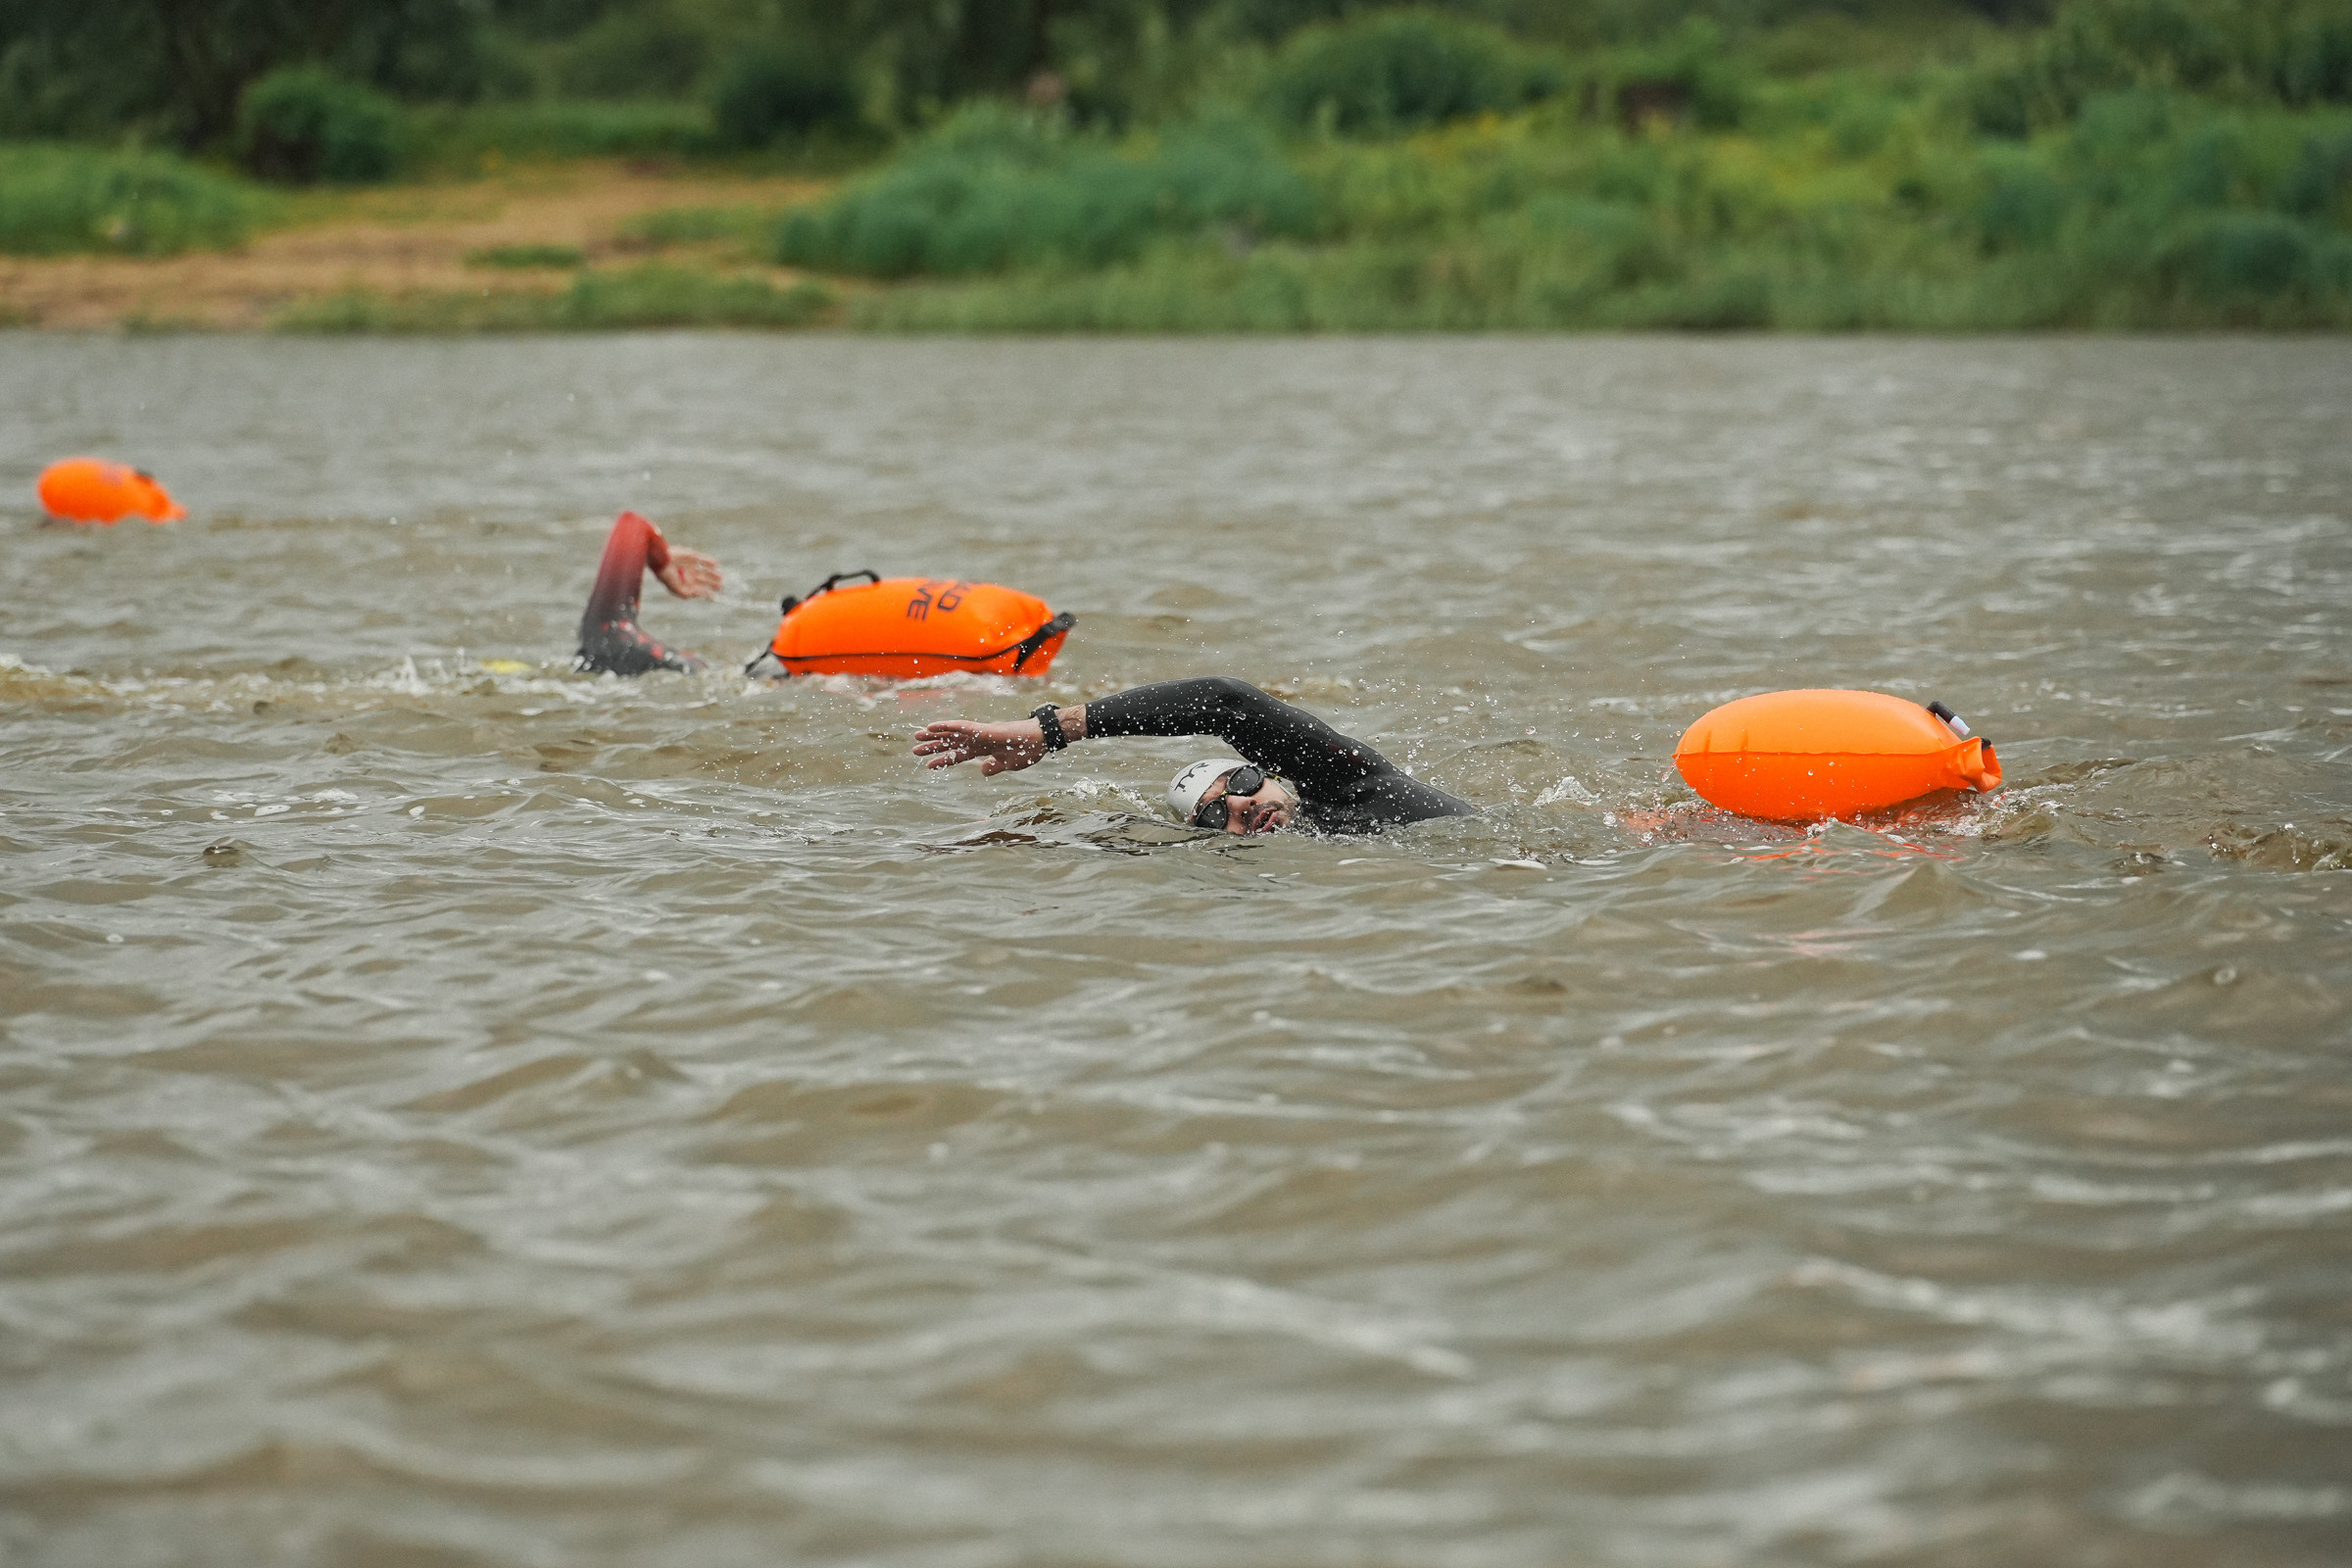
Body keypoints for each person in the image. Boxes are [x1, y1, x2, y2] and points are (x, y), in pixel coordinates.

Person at [912, 675, 1477, 835]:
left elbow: (1222, 702)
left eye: (1244, 781)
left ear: (1272, 771)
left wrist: (1051, 730)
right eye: (1213, 814)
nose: (1240, 805)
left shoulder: (1352, 783)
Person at [575, 511, 723, 675]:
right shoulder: (608, 640)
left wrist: (662, 561)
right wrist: (661, 561)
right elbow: (632, 523)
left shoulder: (608, 644)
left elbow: (632, 523)